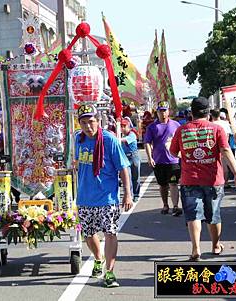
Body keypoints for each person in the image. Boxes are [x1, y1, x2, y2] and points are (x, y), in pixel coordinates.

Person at [170, 97, 236, 261]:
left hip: (189, 179)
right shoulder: (216, 129)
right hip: (213, 180)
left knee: (193, 215)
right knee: (214, 214)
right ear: (208, 113)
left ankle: (196, 249)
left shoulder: (182, 130)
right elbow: (225, 150)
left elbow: (173, 152)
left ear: (191, 113)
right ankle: (216, 246)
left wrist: (186, 155)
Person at [74, 104, 132, 288]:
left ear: (98, 121)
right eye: (83, 122)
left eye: (91, 122)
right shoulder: (78, 139)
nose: (87, 126)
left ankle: (110, 272)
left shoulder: (109, 140)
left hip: (107, 198)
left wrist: (127, 195)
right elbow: (75, 162)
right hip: (84, 197)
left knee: (110, 233)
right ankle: (98, 259)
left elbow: (123, 168)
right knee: (89, 234)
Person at [144, 101, 183, 216]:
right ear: (157, 112)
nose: (163, 113)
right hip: (159, 160)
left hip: (173, 160)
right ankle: (165, 205)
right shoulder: (152, 127)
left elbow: (182, 140)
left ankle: (175, 206)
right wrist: (150, 157)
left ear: (168, 111)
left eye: (165, 110)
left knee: (173, 183)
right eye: (160, 111)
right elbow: (147, 142)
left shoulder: (176, 125)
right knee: (162, 185)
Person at [120, 118, 141, 202]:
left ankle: (136, 194)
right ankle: (130, 194)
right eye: (121, 126)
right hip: (125, 157)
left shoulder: (132, 134)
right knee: (127, 176)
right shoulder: (120, 135)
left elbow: (125, 140)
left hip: (134, 156)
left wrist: (117, 139)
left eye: (124, 126)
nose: (122, 128)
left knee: (135, 176)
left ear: (128, 126)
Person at [211, 109, 233, 184]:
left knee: (217, 165)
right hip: (225, 145)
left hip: (214, 147)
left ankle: (219, 181)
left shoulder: (211, 124)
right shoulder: (226, 123)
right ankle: (225, 182)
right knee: (225, 165)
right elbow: (228, 135)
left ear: (212, 115)